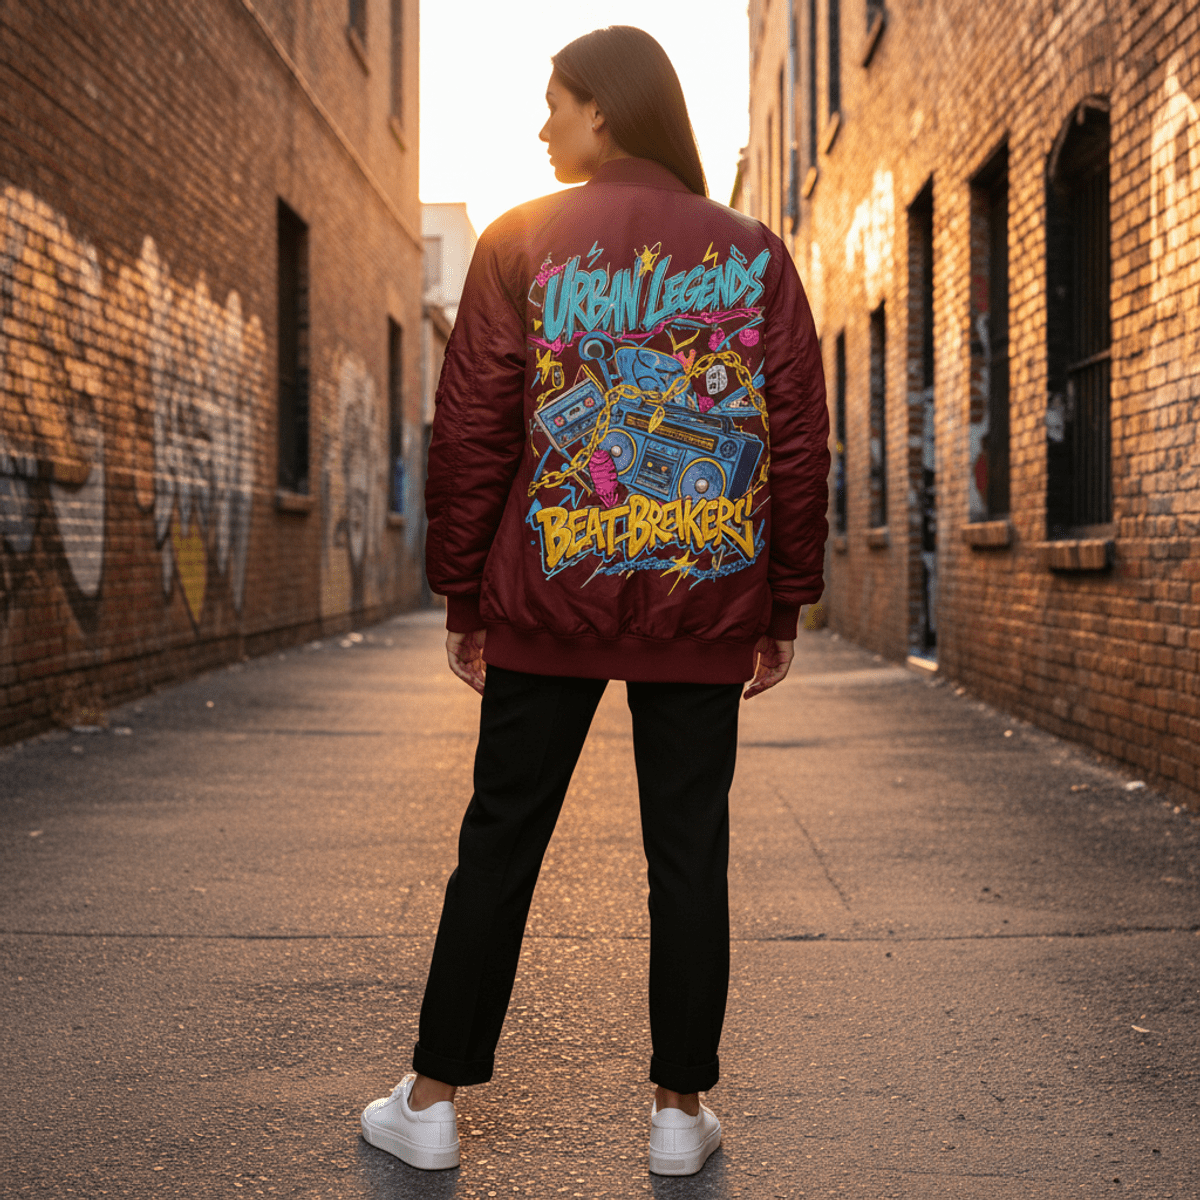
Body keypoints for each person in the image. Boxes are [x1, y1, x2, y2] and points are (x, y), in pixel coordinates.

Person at [361, 25, 829, 1178]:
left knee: (500, 846)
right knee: (689, 856)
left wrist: (464, 594)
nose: (542, 126)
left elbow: (470, 429)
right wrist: (784, 605)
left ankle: (428, 1102)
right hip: (704, 597)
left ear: (604, 113)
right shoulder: (756, 253)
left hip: (546, 597)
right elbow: (800, 440)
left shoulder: (524, 241)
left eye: (555, 104)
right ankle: (679, 1115)